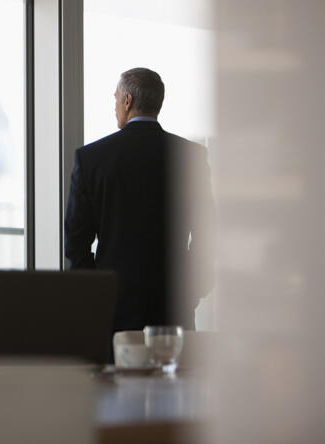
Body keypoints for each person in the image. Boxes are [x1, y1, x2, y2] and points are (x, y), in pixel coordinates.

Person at [64, 68, 213, 333]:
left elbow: (76, 241)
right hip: (174, 303)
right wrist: (193, 289)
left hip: (114, 306)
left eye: (116, 99)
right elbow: (208, 233)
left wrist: (96, 293)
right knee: (173, 373)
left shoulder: (92, 159)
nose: (115, 107)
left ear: (128, 100)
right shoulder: (191, 157)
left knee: (115, 373)